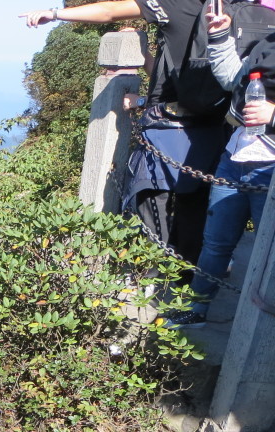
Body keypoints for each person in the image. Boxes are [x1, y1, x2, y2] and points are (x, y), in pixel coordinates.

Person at [22, 1, 226, 266]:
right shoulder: (227, 11)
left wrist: (54, 14)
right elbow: (176, 79)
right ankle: (188, 278)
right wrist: (146, 57)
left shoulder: (174, 4)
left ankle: (153, 275)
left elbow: (109, 11)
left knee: (152, 204)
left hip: (166, 131)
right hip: (212, 128)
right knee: (194, 208)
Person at [165, 5, 275, 326]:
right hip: (236, 156)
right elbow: (232, 79)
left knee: (267, 254)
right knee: (214, 244)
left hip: (269, 167)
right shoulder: (267, 44)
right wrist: (220, 36)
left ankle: (259, 329)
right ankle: (197, 310)